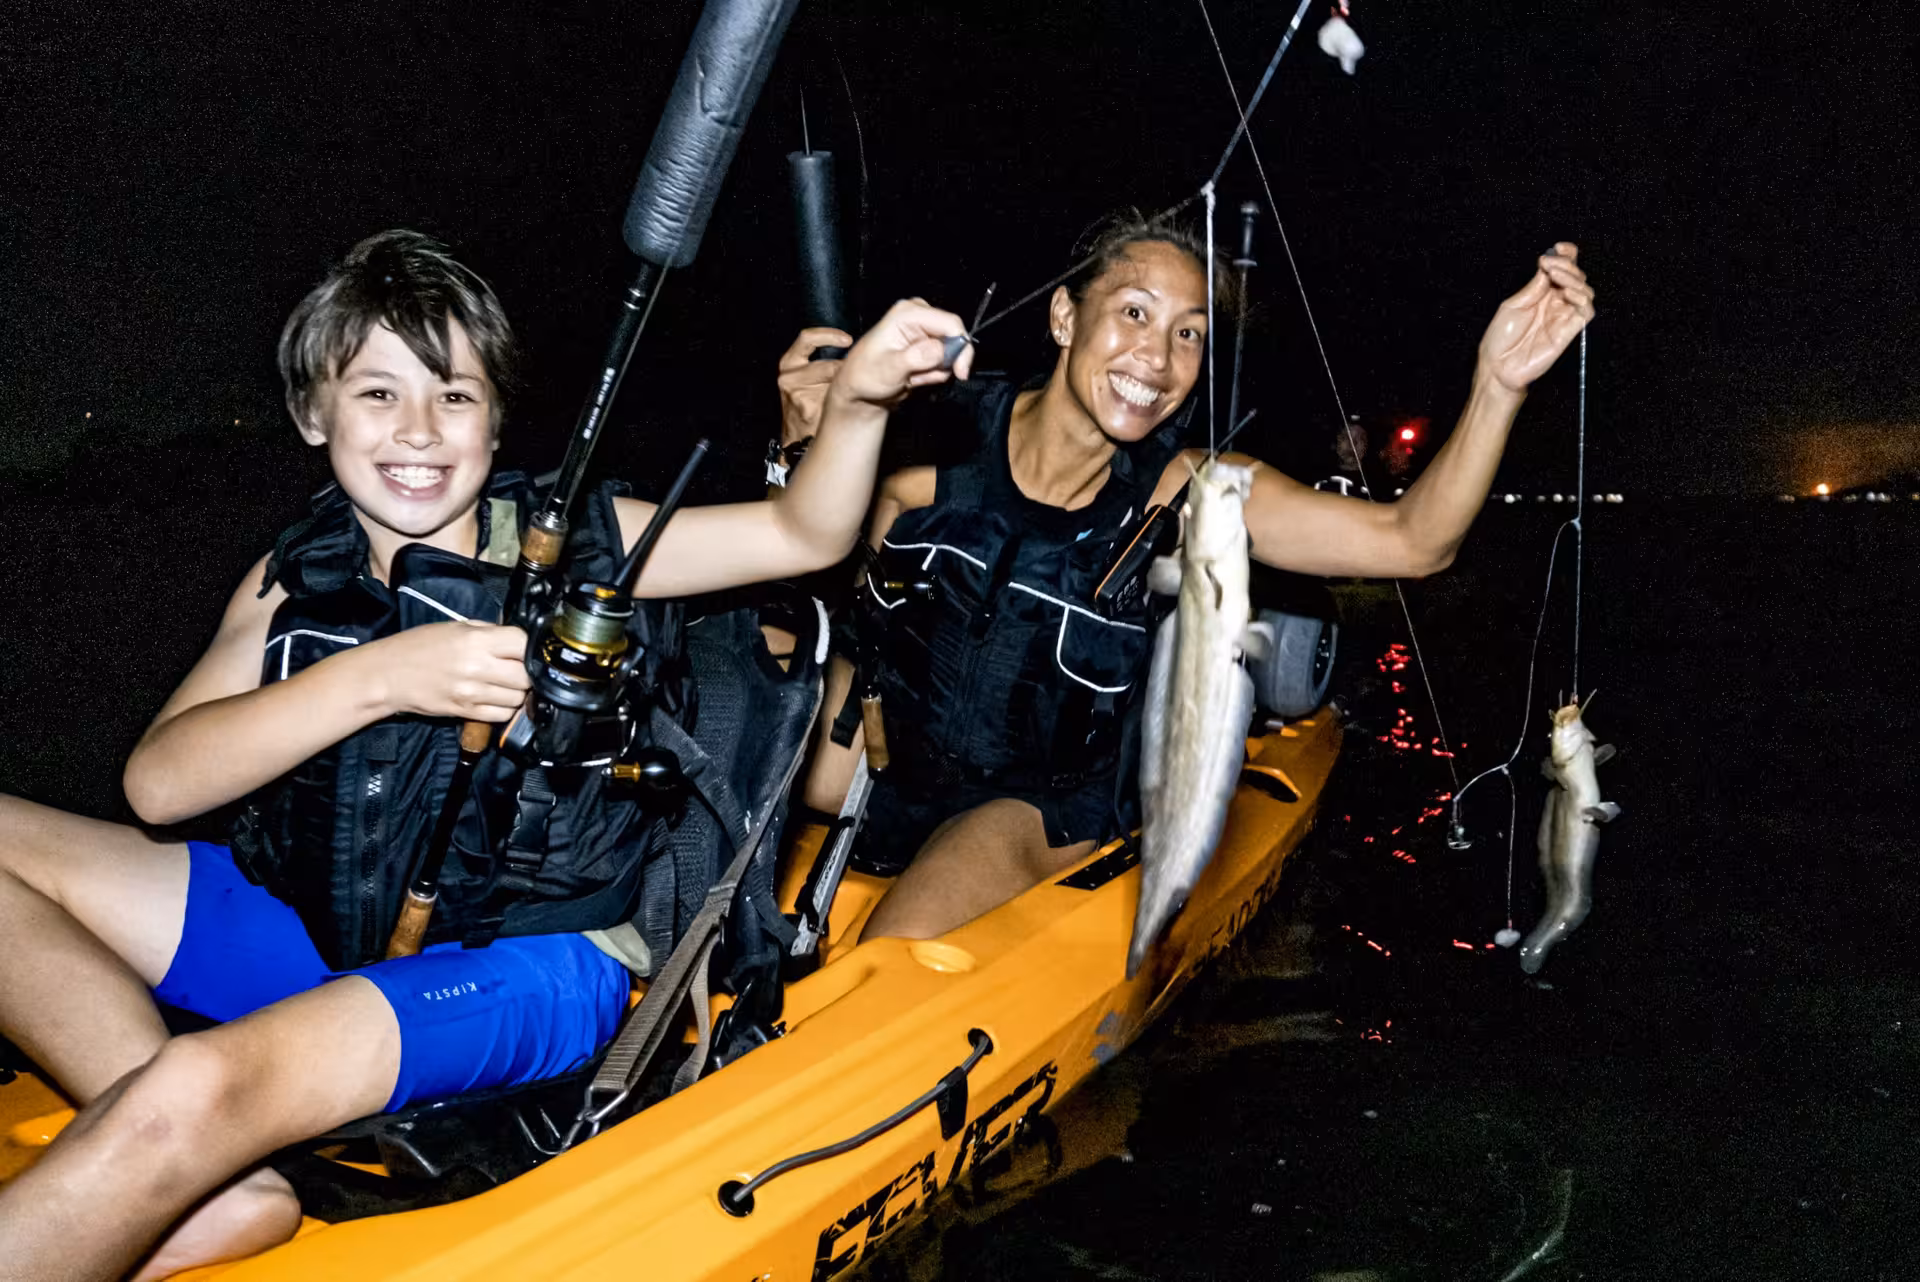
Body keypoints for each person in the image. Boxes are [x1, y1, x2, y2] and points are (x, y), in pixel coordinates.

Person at [0, 229, 970, 1281]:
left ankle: (183, 1120)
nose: (417, 429)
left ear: (497, 419)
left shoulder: (591, 540)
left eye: (454, 396)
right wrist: (379, 676)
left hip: (537, 966)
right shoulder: (292, 574)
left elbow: (800, 534)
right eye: (377, 394)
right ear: (313, 412)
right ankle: (200, 1169)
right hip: (320, 927)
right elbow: (158, 781)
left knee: (198, 1085)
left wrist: (863, 403)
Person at [801, 216, 1594, 942]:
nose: (1159, 356)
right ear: (1064, 318)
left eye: (1190, 334)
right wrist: (804, 440)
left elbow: (1414, 541)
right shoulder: (925, 432)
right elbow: (820, 587)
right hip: (885, 760)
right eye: (1136, 313)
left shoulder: (1195, 489)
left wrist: (1499, 385)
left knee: (907, 929)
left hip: (1033, 810)